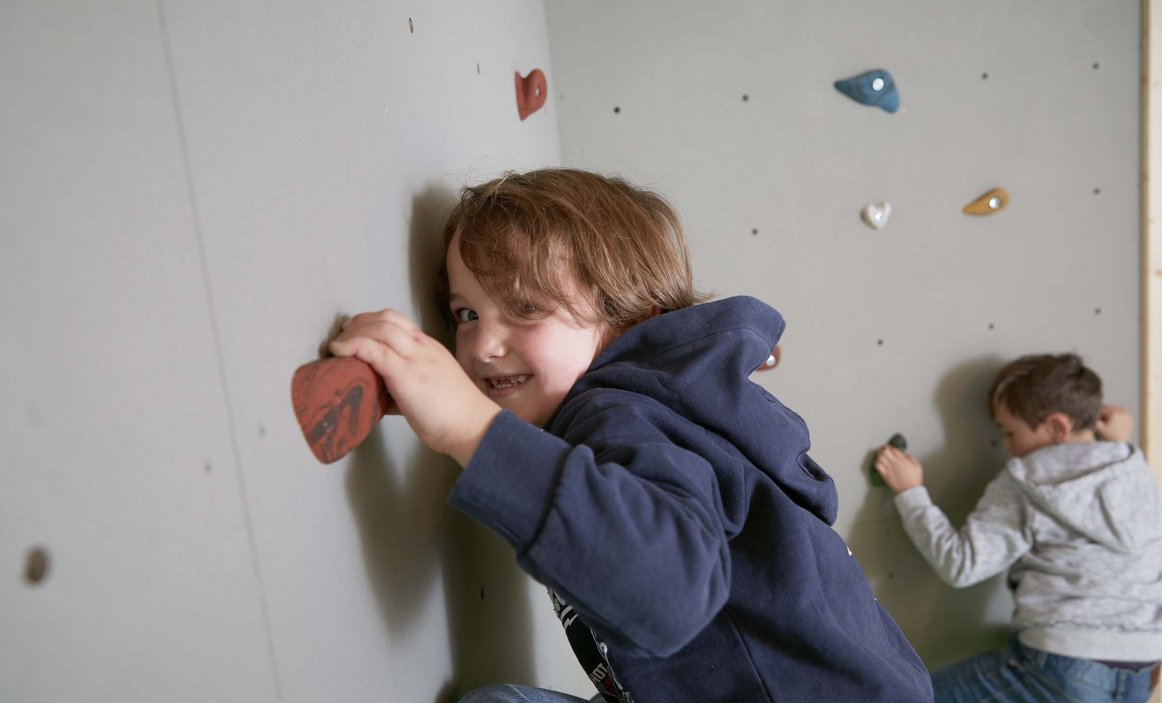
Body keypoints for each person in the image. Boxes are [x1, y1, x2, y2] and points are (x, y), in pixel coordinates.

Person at [330, 168, 932, 702]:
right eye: (467, 314)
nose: (484, 346)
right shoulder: (662, 408)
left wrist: (469, 424)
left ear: (629, 317)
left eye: (525, 308)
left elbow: (666, 598)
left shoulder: (620, 413)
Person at [873, 353, 1162, 703]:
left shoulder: (1027, 479)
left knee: (911, 696)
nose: (1007, 446)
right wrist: (1116, 441)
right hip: (1142, 669)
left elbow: (961, 564)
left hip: (1062, 662)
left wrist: (910, 493)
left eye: (1010, 432)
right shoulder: (1132, 467)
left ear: (1057, 427)